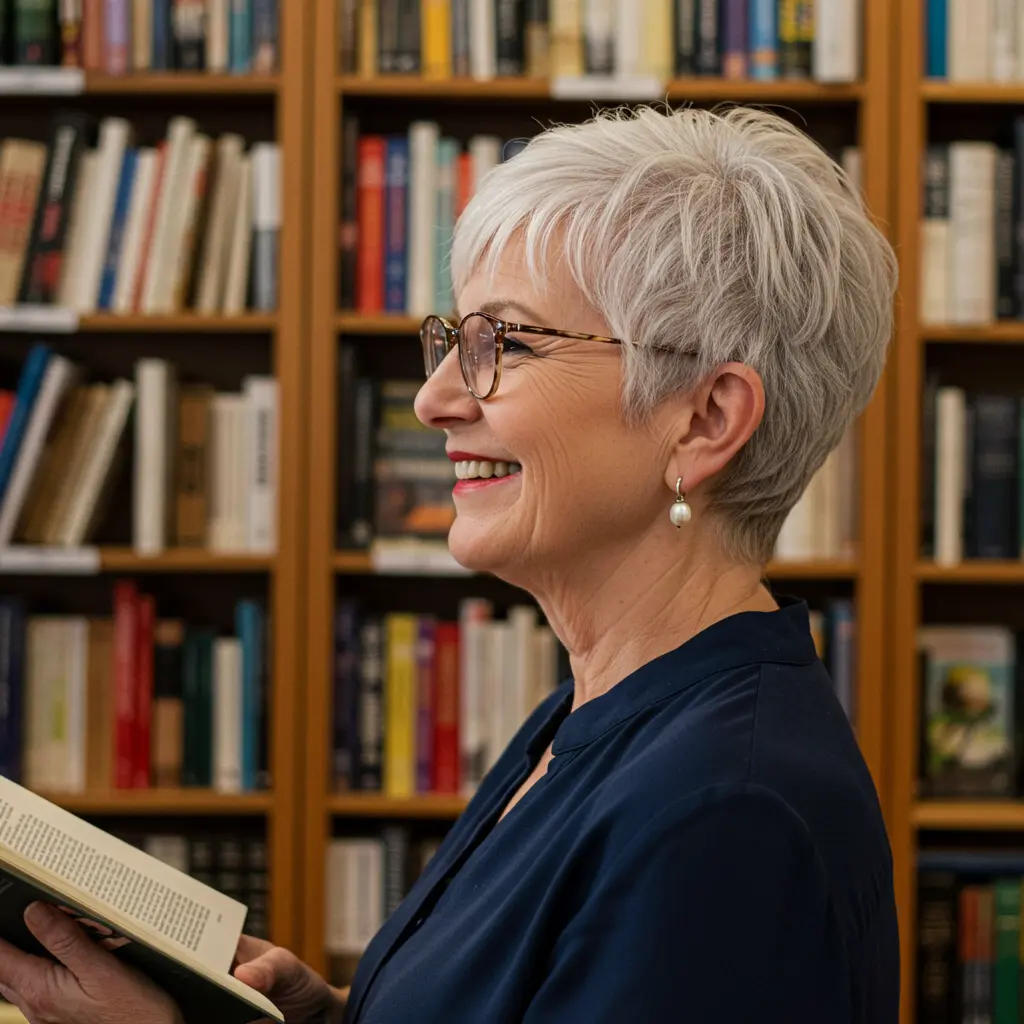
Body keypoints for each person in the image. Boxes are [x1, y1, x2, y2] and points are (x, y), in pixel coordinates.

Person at [0, 103, 899, 1024]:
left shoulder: (726, 819)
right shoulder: (599, 713)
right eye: (453, 340)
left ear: (706, 419)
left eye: (502, 344)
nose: (433, 400)